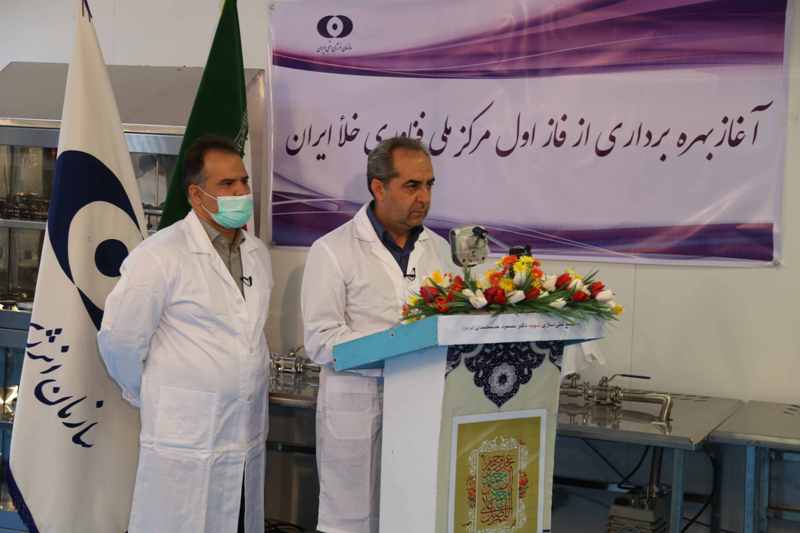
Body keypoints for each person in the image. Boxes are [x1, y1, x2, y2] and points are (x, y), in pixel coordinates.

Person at [98, 135, 273, 533]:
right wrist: (153, 391)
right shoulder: (160, 255)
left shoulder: (257, 253)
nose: (241, 192)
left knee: (237, 521)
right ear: (196, 195)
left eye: (243, 181)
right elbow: (120, 340)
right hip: (183, 438)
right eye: (227, 184)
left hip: (243, 437)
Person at [301, 136, 455, 533]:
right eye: (412, 186)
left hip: (420, 407)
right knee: (352, 520)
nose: (424, 197)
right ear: (378, 187)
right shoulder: (332, 250)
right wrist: (398, 347)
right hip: (357, 406)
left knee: (413, 516)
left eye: (429, 185)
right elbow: (321, 340)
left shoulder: (441, 251)